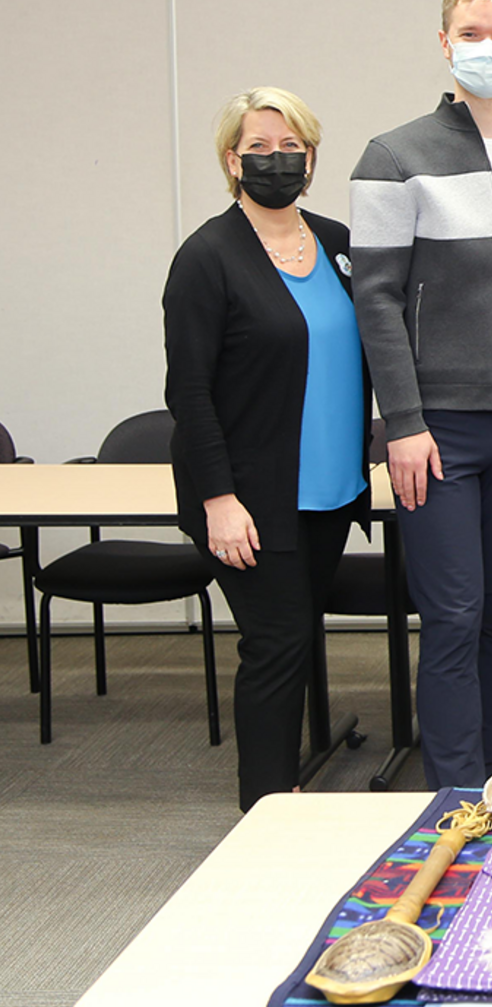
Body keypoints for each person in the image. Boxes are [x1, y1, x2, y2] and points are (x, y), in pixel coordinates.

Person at [349, 0, 492, 789]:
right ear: (445, 44)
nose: (489, 47)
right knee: (450, 616)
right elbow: (373, 299)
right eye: (472, 33)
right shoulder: (394, 156)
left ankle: (488, 777)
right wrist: (401, 422)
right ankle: (450, 797)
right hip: (435, 427)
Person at [164, 87, 369, 812]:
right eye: (259, 148)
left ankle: (286, 780)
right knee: (277, 646)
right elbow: (188, 392)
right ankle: (267, 809)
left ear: (311, 156)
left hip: (330, 491)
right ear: (232, 159)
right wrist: (219, 500)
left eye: (291, 147)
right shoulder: (208, 257)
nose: (277, 160)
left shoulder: (339, 244)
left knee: (294, 640)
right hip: (251, 498)